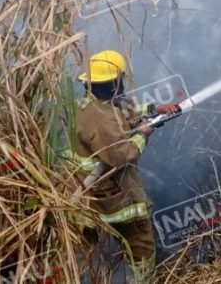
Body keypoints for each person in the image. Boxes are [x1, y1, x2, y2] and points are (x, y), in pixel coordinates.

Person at [64, 50, 178, 284]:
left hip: (83, 196)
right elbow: (120, 155)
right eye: (118, 81)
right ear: (113, 82)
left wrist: (155, 109)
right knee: (141, 246)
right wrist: (143, 136)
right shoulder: (101, 117)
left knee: (77, 252)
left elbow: (122, 112)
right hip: (110, 195)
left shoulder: (90, 105)